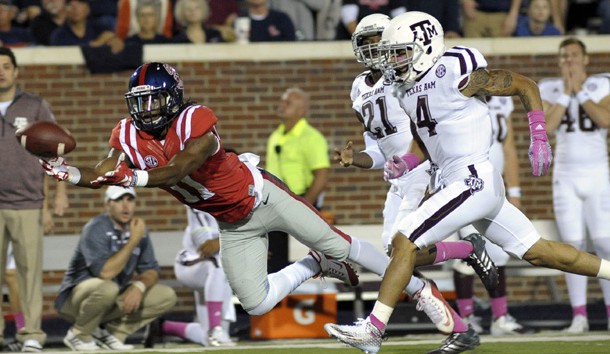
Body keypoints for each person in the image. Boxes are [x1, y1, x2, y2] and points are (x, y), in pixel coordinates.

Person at [40, 62, 498, 335]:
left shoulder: (196, 118)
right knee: (255, 304)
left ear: (173, 98)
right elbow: (104, 170)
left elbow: (178, 169)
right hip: (232, 223)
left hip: (262, 196)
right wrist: (72, 174)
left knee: (343, 245)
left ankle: (419, 290)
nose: (144, 110)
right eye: (137, 101)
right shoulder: (127, 133)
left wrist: (132, 177)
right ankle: (311, 266)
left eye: (152, 100)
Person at [324, 11, 610, 354]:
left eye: (400, 51)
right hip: (464, 182)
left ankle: (373, 329)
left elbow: (524, 85)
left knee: (404, 240)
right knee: (537, 251)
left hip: (473, 178)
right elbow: (423, 137)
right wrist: (407, 162)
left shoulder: (454, 70)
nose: (392, 60)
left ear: (425, 46)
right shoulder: (404, 87)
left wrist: (538, 134)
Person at [334, 13, 496, 351]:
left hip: (421, 168)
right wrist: (357, 161)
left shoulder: (405, 74)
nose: (372, 48)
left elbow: (426, 124)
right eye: (365, 42)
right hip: (399, 177)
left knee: (399, 251)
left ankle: (381, 328)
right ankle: (458, 323)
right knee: (392, 253)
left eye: (377, 39)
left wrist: (413, 160)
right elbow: (375, 149)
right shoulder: (358, 88)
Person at [538, 37, 610, 334]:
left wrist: (579, 91)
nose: (569, 61)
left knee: (606, 244)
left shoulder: (602, 84)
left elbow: (605, 120)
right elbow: (547, 126)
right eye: (564, 56)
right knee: (572, 247)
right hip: (565, 175)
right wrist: (567, 93)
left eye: (574, 55)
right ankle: (578, 315)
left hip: (597, 174)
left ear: (586, 58)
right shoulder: (548, 86)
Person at [0, 46, 68, 353]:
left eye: (5, 65)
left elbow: (56, 150)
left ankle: (31, 335)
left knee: (29, 274)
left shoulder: (36, 106)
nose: (0, 71)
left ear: (15, 71)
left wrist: (59, 191)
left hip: (28, 202)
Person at [54, 186, 176, 351]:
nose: (125, 206)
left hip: (110, 297)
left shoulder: (138, 230)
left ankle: (110, 335)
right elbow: (105, 272)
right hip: (75, 300)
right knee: (108, 288)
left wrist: (139, 287)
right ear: (107, 205)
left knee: (165, 295)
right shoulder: (96, 227)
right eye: (119, 200)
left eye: (130, 200)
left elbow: (151, 270)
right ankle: (79, 334)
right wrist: (133, 241)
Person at [452, 96, 530, 336]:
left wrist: (515, 191)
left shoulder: (501, 102)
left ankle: (500, 317)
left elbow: (508, 147)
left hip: (494, 188)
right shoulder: (457, 98)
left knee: (498, 251)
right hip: (468, 183)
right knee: (470, 251)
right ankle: (466, 318)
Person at [145, 207, 236, 347]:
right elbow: (205, 246)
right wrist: (236, 239)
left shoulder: (237, 203)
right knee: (219, 264)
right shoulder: (199, 202)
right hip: (192, 264)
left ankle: (162, 327)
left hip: (214, 273)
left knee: (210, 340)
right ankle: (215, 328)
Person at [265, 86, 329, 272]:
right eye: (282, 101)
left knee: (304, 258)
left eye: (288, 103)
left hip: (301, 200)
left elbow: (321, 175)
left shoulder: (311, 137)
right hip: (276, 202)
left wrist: (305, 205)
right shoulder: (276, 136)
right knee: (273, 257)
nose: (282, 105)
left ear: (302, 111)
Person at [48, 0, 119, 47]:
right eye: (70, 4)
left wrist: (114, 40)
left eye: (80, 3)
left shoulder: (101, 29)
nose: (75, 8)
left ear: (88, 9)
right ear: (65, 11)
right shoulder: (58, 35)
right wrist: (96, 43)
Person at [335, 0, 406, 40]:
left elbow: (400, 20)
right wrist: (363, 39)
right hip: (356, 39)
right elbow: (349, 20)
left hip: (385, 38)